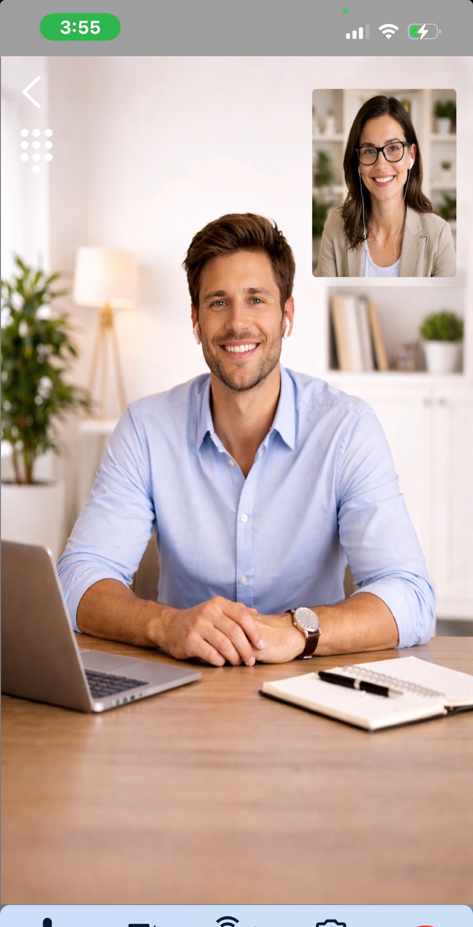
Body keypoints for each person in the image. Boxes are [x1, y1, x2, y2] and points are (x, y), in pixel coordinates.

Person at [58, 213, 435, 666]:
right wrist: (164, 625)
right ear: (196, 321)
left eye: (256, 299)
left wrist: (298, 630)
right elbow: (78, 579)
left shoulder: (346, 428)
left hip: (315, 689)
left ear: (286, 316)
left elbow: (410, 595)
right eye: (218, 303)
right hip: (182, 690)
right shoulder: (146, 427)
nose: (238, 323)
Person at [315, 95, 456, 278]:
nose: (381, 164)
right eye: (369, 151)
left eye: (393, 148)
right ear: (357, 161)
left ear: (411, 155)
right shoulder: (336, 226)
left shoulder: (438, 234)